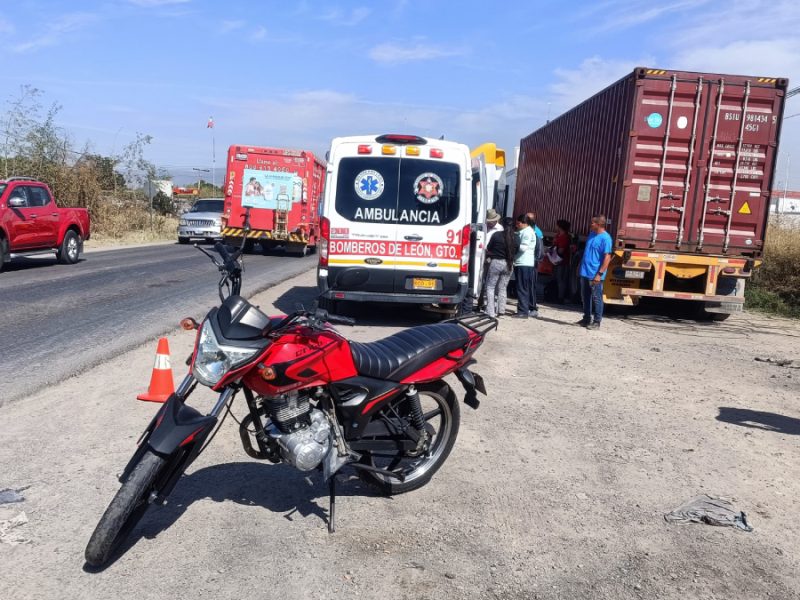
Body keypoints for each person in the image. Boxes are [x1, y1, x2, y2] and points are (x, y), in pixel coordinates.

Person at [578, 214, 613, 330]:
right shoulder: (592, 234)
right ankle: (586, 318)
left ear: (598, 224)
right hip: (585, 272)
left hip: (595, 274)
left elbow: (607, 257)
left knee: (596, 298)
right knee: (585, 296)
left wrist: (599, 274)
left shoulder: (606, 238)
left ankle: (597, 322)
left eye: (592, 223)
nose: (590, 224)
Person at [483, 217, 519, 318]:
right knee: (502, 288)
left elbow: (489, 248)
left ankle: (490, 312)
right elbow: (516, 251)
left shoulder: (497, 235)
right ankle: (501, 311)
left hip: (496, 262)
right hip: (509, 264)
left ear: (503, 225)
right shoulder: (516, 237)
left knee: (490, 286)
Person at [512, 214, 538, 318]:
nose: (517, 225)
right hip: (521, 262)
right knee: (522, 287)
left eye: (519, 223)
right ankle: (523, 309)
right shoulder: (523, 231)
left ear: (525, 223)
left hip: (524, 262)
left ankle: (523, 311)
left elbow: (523, 248)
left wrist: (514, 245)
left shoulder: (527, 232)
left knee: (522, 287)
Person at [553, 219, 572, 303]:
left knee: (561, 280)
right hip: (557, 261)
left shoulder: (564, 237)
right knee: (558, 279)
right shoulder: (558, 235)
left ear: (560, 227)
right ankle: (558, 295)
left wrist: (552, 251)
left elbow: (561, 250)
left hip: (562, 261)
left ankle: (560, 297)